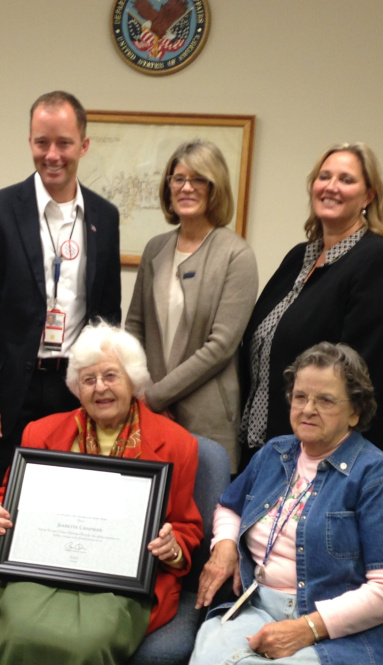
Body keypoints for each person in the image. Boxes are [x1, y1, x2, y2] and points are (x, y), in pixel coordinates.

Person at [166, 342, 383, 665]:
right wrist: (225, 547)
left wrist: (305, 629)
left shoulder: (379, 480)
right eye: (301, 396)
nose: (308, 409)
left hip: (348, 632)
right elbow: (230, 507)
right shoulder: (276, 452)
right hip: (259, 603)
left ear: (355, 412)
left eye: (325, 400)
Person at [0, 321, 203, 665]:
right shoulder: (43, 432)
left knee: (80, 646)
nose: (100, 388)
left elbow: (186, 527)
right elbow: (6, 496)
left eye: (111, 375)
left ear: (133, 379)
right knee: (14, 632)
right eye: (88, 379)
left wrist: (172, 547)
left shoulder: (176, 443)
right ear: (76, 387)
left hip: (120, 583)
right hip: (41, 566)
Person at [0, 90, 122, 518]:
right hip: (7, 392)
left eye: (64, 143)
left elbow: (107, 314)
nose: (52, 155)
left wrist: (106, 386)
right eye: (41, 142)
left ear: (83, 145)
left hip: (75, 386)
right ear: (29, 141)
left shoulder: (105, 215)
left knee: (67, 507)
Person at [239, 143, 383, 470]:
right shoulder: (298, 258)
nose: (331, 186)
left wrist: (311, 446)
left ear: (368, 196)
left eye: (346, 179)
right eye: (324, 176)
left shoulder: (380, 264)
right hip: (274, 447)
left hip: (336, 457)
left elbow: (361, 374)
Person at [125, 139, 258, 470]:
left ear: (215, 188)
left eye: (198, 179)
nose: (186, 187)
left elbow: (221, 346)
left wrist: (157, 396)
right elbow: (134, 328)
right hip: (147, 412)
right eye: (178, 178)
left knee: (199, 519)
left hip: (205, 418)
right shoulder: (155, 248)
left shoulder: (236, 254)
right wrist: (139, 389)